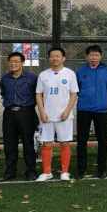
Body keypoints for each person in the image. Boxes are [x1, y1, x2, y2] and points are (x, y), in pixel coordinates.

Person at [35, 47, 79, 182]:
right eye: (52, 56)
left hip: (64, 117)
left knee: (64, 144)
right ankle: (46, 172)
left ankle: (64, 172)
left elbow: (74, 94)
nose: (55, 58)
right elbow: (38, 94)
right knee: (46, 144)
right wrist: (42, 112)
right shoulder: (43, 75)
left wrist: (67, 111)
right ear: (49, 58)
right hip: (47, 117)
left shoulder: (70, 74)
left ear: (63, 58)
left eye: (58, 56)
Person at [75, 44, 107, 179]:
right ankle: (81, 169)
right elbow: (77, 89)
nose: (94, 58)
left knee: (102, 140)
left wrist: (100, 98)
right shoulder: (80, 71)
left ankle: (102, 169)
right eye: (91, 55)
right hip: (83, 109)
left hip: (101, 110)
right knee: (82, 140)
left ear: (101, 56)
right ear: (87, 57)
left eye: (96, 55)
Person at [0, 51, 39, 181]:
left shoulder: (32, 78)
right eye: (11, 61)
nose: (13, 64)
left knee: (28, 144)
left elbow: (38, 95)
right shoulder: (5, 79)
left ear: (22, 63)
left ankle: (31, 172)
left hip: (26, 113)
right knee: (9, 144)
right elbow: (4, 93)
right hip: (9, 114)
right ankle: (10, 172)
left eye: (16, 61)